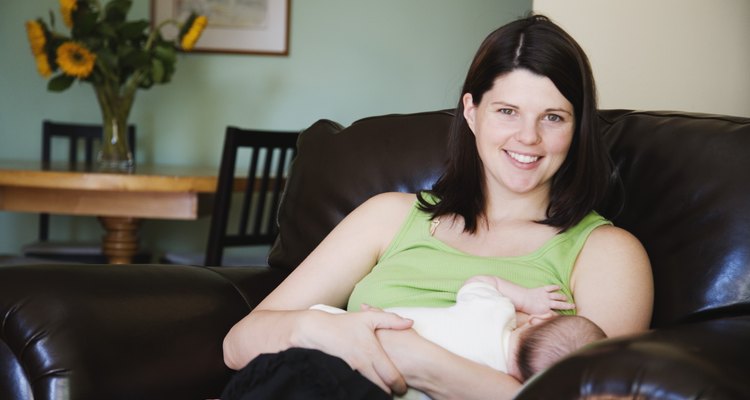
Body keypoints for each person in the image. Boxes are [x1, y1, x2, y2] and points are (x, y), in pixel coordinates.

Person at [222, 14, 653, 400]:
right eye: (507, 111)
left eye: (553, 117)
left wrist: (416, 359)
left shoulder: (607, 253)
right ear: (471, 111)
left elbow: (594, 398)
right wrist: (324, 330)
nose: (528, 137)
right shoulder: (388, 216)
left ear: (578, 129)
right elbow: (239, 344)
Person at [311, 275, 607, 400]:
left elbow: (480, 281)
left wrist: (526, 298)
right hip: (372, 378)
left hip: (344, 326)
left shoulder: (495, 311)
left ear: (540, 319)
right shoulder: (490, 376)